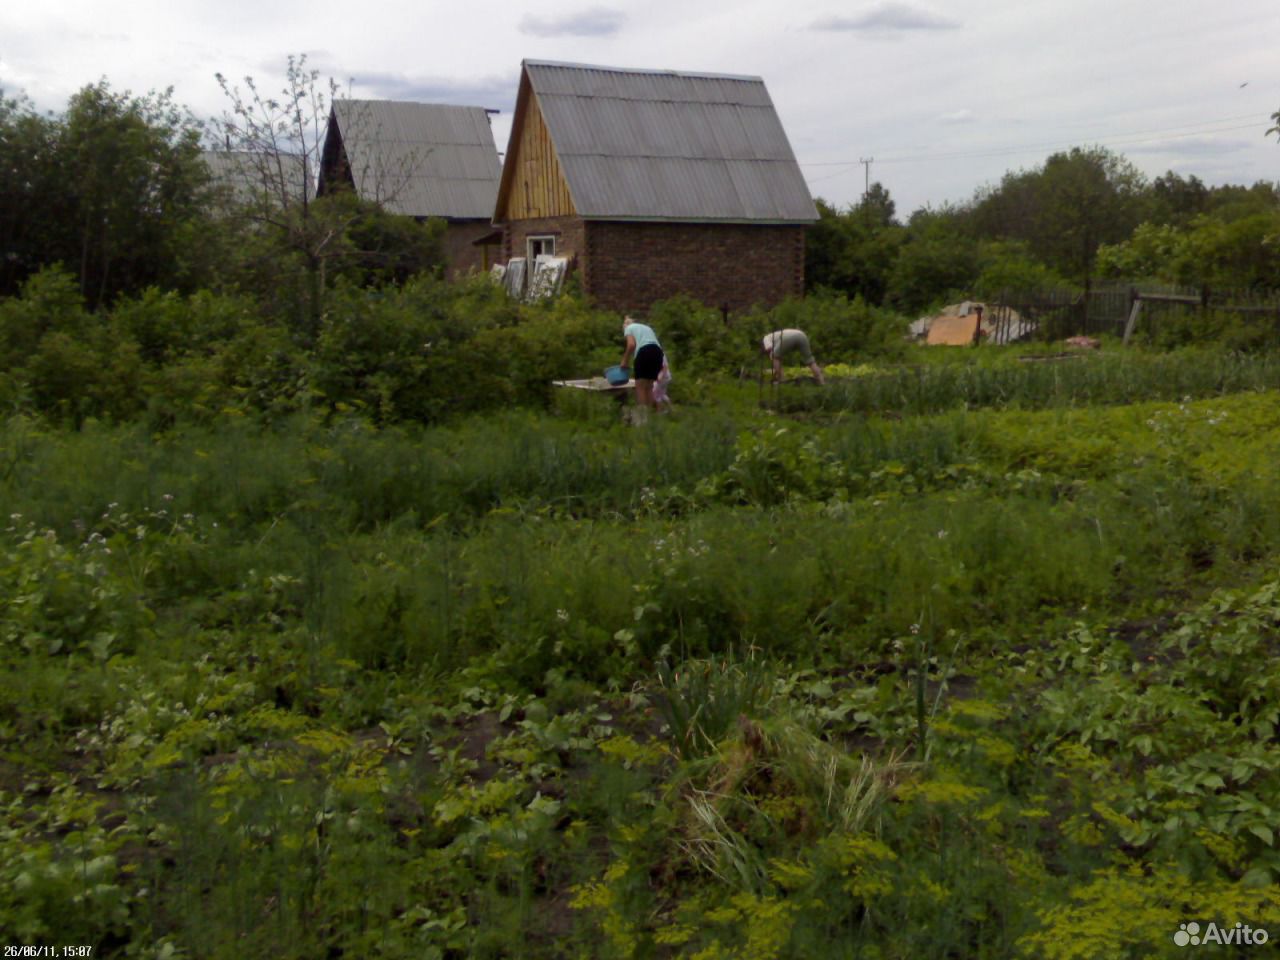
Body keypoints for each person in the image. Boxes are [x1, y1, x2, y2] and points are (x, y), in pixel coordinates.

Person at [620, 316, 665, 410]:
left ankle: (643, 417)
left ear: (625, 325)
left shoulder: (629, 328)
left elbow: (631, 345)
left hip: (645, 351)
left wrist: (625, 360)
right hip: (658, 353)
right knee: (649, 386)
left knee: (640, 386)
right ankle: (651, 417)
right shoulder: (647, 328)